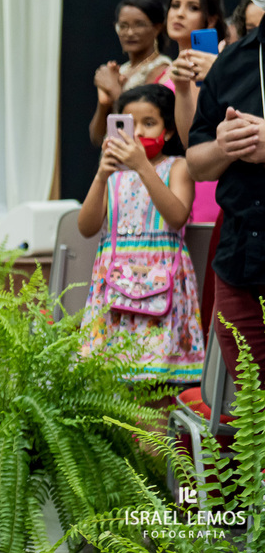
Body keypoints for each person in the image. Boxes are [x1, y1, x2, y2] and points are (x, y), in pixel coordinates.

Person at [76, 85, 204, 384]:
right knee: (110, 381)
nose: (138, 133)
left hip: (163, 288)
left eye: (149, 123)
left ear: (168, 130)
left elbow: (177, 216)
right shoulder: (112, 174)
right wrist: (101, 175)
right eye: (129, 125)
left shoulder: (178, 167)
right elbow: (86, 227)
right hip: (114, 289)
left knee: (158, 380)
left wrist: (142, 166)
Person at [188, 0, 265, 384]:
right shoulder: (232, 63)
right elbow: (197, 161)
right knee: (255, 406)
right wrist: (223, 147)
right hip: (239, 264)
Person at [161, 0, 225, 223]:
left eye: (193, 8)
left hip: (204, 183)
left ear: (211, 19)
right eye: (175, 5)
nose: (179, 14)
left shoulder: (216, 65)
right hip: (170, 182)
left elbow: (193, 137)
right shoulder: (167, 69)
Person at [88, 0, 171, 146]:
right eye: (123, 26)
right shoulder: (122, 70)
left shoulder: (163, 70)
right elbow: (97, 137)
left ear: (157, 28)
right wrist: (104, 102)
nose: (130, 33)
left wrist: (114, 90)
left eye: (139, 24)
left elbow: (145, 123)